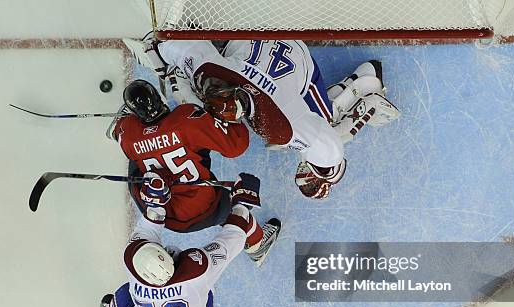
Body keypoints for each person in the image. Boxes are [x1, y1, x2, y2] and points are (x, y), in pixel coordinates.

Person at [124, 38, 400, 200]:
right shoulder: (273, 127)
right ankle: (364, 81)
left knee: (320, 121)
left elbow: (325, 143)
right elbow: (188, 57)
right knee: (322, 117)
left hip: (276, 45)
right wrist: (163, 59)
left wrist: (165, 61)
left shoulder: (279, 128)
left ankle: (365, 81)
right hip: (267, 52)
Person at [98, 172, 281, 307]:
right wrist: (243, 203)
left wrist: (155, 201)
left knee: (123, 297)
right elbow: (234, 236)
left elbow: (149, 226)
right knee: (204, 288)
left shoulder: (132, 260)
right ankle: (258, 244)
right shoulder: (197, 270)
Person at [110, 79, 250, 233]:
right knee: (235, 211)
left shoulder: (128, 132)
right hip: (207, 208)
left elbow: (123, 132)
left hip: (166, 216)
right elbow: (235, 147)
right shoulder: (186, 117)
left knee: (134, 157)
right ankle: (255, 241)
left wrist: (121, 126)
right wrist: (227, 115)